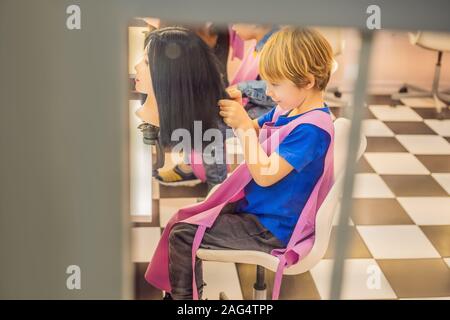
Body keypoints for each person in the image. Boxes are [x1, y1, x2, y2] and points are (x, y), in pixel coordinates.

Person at [151, 27, 335, 300]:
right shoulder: (291, 108)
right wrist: (238, 115)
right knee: (190, 217)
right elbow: (255, 128)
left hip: (273, 229)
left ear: (307, 81)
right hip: (262, 210)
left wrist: (244, 129)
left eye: (275, 84)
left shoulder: (312, 129)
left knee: (182, 234)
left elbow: (265, 175)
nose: (269, 92)